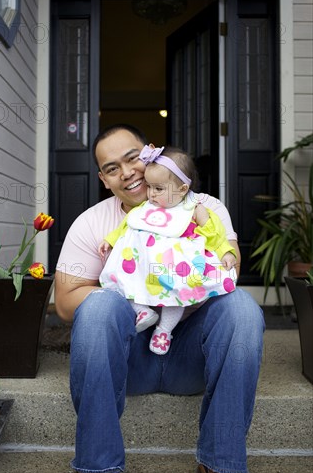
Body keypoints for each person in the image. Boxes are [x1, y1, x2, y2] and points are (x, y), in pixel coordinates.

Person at [55, 124, 265, 473]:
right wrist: (127, 292)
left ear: (152, 153)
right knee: (100, 306)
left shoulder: (204, 208)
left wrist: (188, 269)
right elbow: (65, 302)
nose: (128, 173)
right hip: (129, 356)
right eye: (112, 168)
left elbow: (228, 271)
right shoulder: (93, 222)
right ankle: (93, 469)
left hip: (190, 353)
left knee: (243, 308)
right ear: (104, 180)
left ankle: (220, 464)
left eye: (133, 158)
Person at [98, 144, 237, 355]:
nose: (151, 193)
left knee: (179, 293)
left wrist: (226, 251)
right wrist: (110, 239)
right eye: (150, 186)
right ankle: (143, 311)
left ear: (182, 189)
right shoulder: (145, 207)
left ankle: (164, 330)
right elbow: (128, 225)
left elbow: (213, 232)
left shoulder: (194, 207)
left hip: (175, 265)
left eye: (159, 189)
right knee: (121, 280)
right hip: (143, 264)